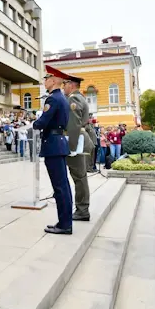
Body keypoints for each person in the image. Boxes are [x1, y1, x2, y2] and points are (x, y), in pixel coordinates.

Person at [32, 65, 73, 235]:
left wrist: (34, 123)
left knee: (59, 187)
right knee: (63, 185)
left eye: (46, 78)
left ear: (54, 80)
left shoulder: (53, 99)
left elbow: (42, 122)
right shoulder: (62, 98)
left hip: (53, 145)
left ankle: (64, 225)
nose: (44, 81)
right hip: (59, 142)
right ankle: (65, 221)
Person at [63, 73, 95, 222]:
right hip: (82, 140)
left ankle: (82, 210)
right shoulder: (80, 97)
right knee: (80, 177)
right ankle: (82, 208)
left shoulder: (73, 98)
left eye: (65, 84)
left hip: (77, 142)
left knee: (79, 177)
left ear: (71, 85)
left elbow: (74, 125)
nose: (63, 87)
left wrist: (71, 147)